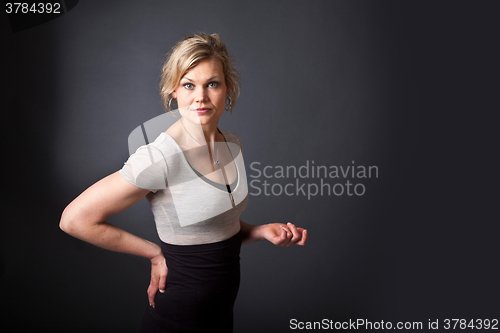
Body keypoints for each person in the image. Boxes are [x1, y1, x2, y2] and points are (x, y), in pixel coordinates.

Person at [59, 32, 308, 333]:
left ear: (228, 88)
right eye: (189, 85)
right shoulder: (161, 157)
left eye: (212, 84)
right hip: (178, 319)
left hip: (220, 314)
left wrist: (261, 231)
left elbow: (212, 228)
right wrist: (153, 252)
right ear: (173, 91)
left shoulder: (232, 144)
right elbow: (74, 220)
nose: (200, 97)